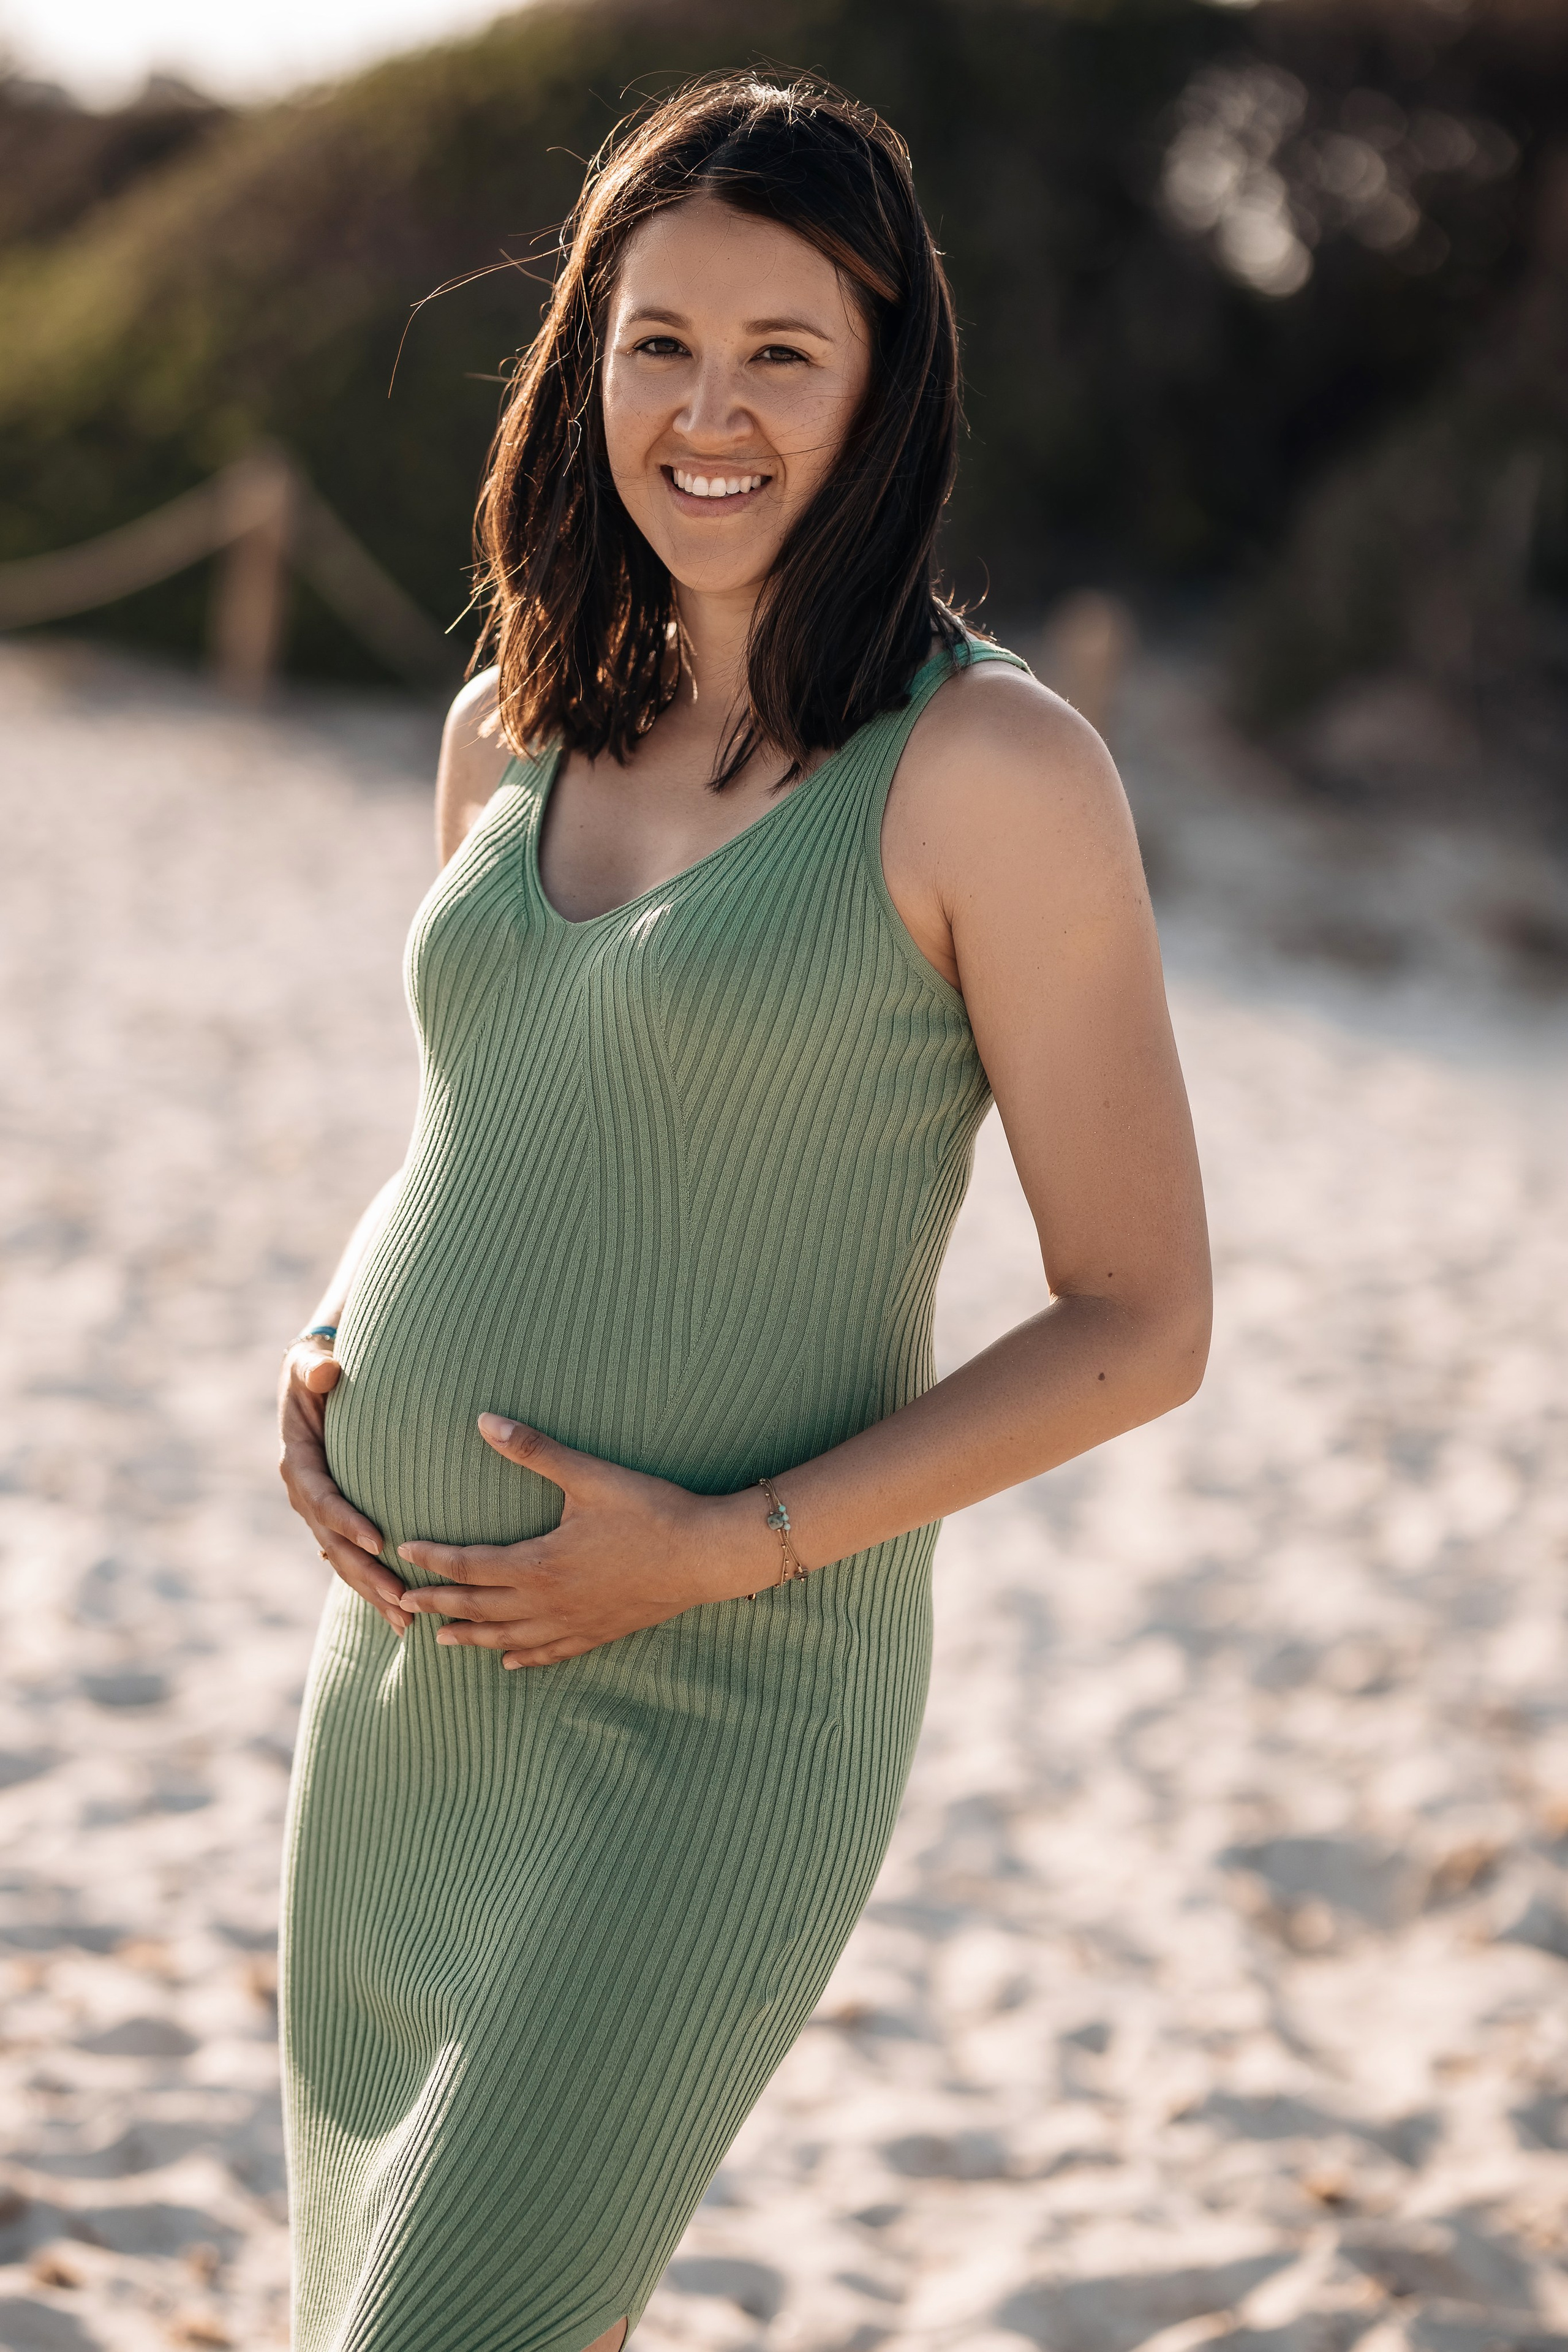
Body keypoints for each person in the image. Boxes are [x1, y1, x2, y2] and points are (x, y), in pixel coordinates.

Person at [276, 71, 1210, 2352]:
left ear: (888, 381)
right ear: (582, 359)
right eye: (656, 341)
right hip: (407, 1687)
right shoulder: (507, 725)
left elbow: (1143, 1315)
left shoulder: (992, 772)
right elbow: (495, 1113)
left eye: (783, 350)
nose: (710, 410)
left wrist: (723, 1548)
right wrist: (324, 1355)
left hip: (718, 1702)